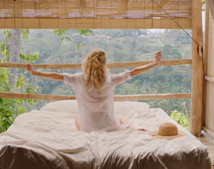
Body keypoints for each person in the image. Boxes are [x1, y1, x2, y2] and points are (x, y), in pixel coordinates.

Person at [26, 50, 162, 132]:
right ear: (103, 64)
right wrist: (154, 63)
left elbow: (56, 76)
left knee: (77, 117)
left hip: (88, 127)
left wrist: (35, 72)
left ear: (87, 63)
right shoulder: (110, 79)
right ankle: (129, 127)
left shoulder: (78, 79)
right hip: (109, 125)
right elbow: (134, 72)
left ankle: (94, 127)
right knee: (121, 118)